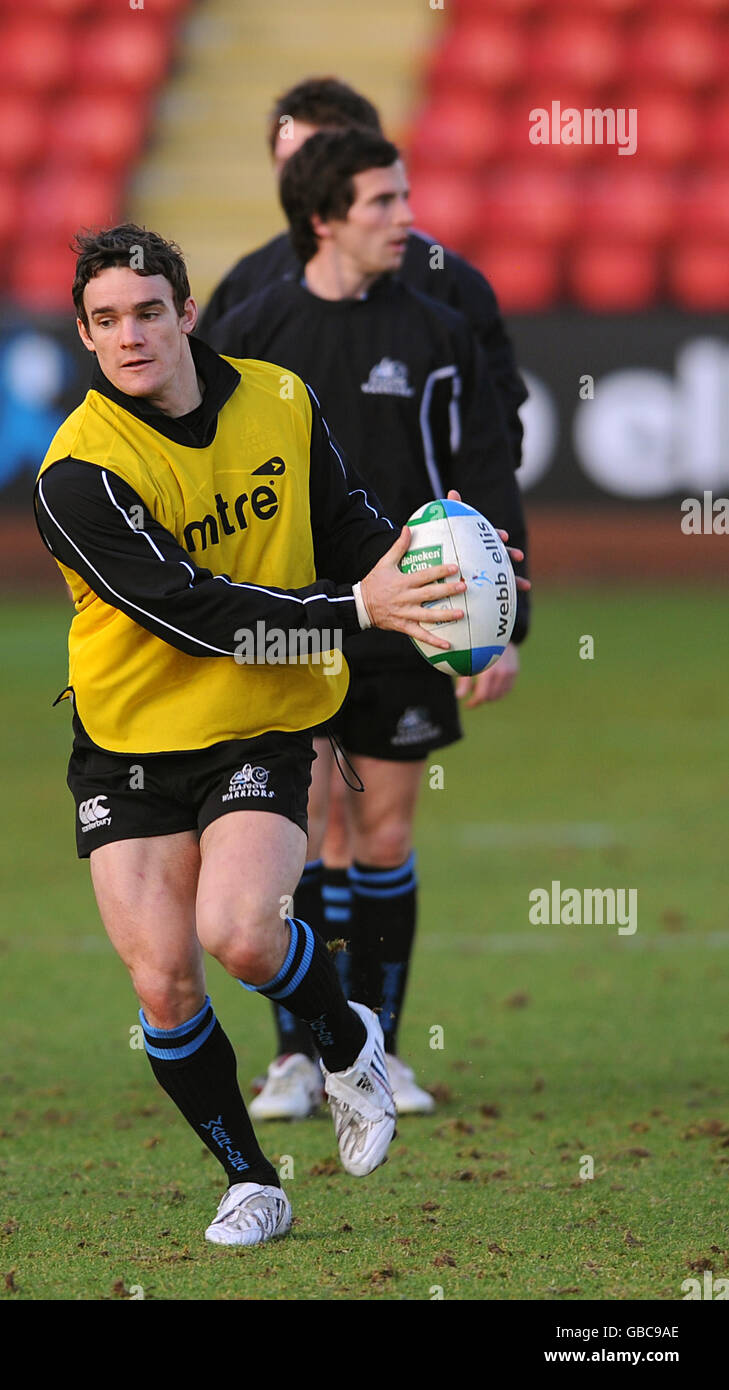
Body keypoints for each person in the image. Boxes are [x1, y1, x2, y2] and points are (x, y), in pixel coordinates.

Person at [32, 222, 497, 1248]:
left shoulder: (278, 398)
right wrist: (358, 610)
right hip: (127, 741)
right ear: (84, 335)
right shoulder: (77, 471)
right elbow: (190, 609)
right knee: (160, 979)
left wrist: (432, 568)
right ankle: (253, 1180)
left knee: (240, 931)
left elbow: (347, 525)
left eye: (148, 312)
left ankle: (344, 1041)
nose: (130, 336)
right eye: (105, 321)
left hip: (263, 720)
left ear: (186, 313)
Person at [206, 128, 530, 1119]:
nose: (404, 219)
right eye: (380, 203)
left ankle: (377, 1048)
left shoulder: (436, 332)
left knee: (381, 836)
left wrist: (503, 621)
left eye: (403, 198)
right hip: (296, 615)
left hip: (411, 616)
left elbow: (481, 474)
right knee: (296, 834)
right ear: (322, 219)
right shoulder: (253, 330)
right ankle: (303, 1055)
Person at [197, 76, 528, 469]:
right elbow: (205, 422)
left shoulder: (449, 284)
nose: (299, 179)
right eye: (288, 163)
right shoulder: (247, 284)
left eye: (318, 158)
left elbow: (496, 437)